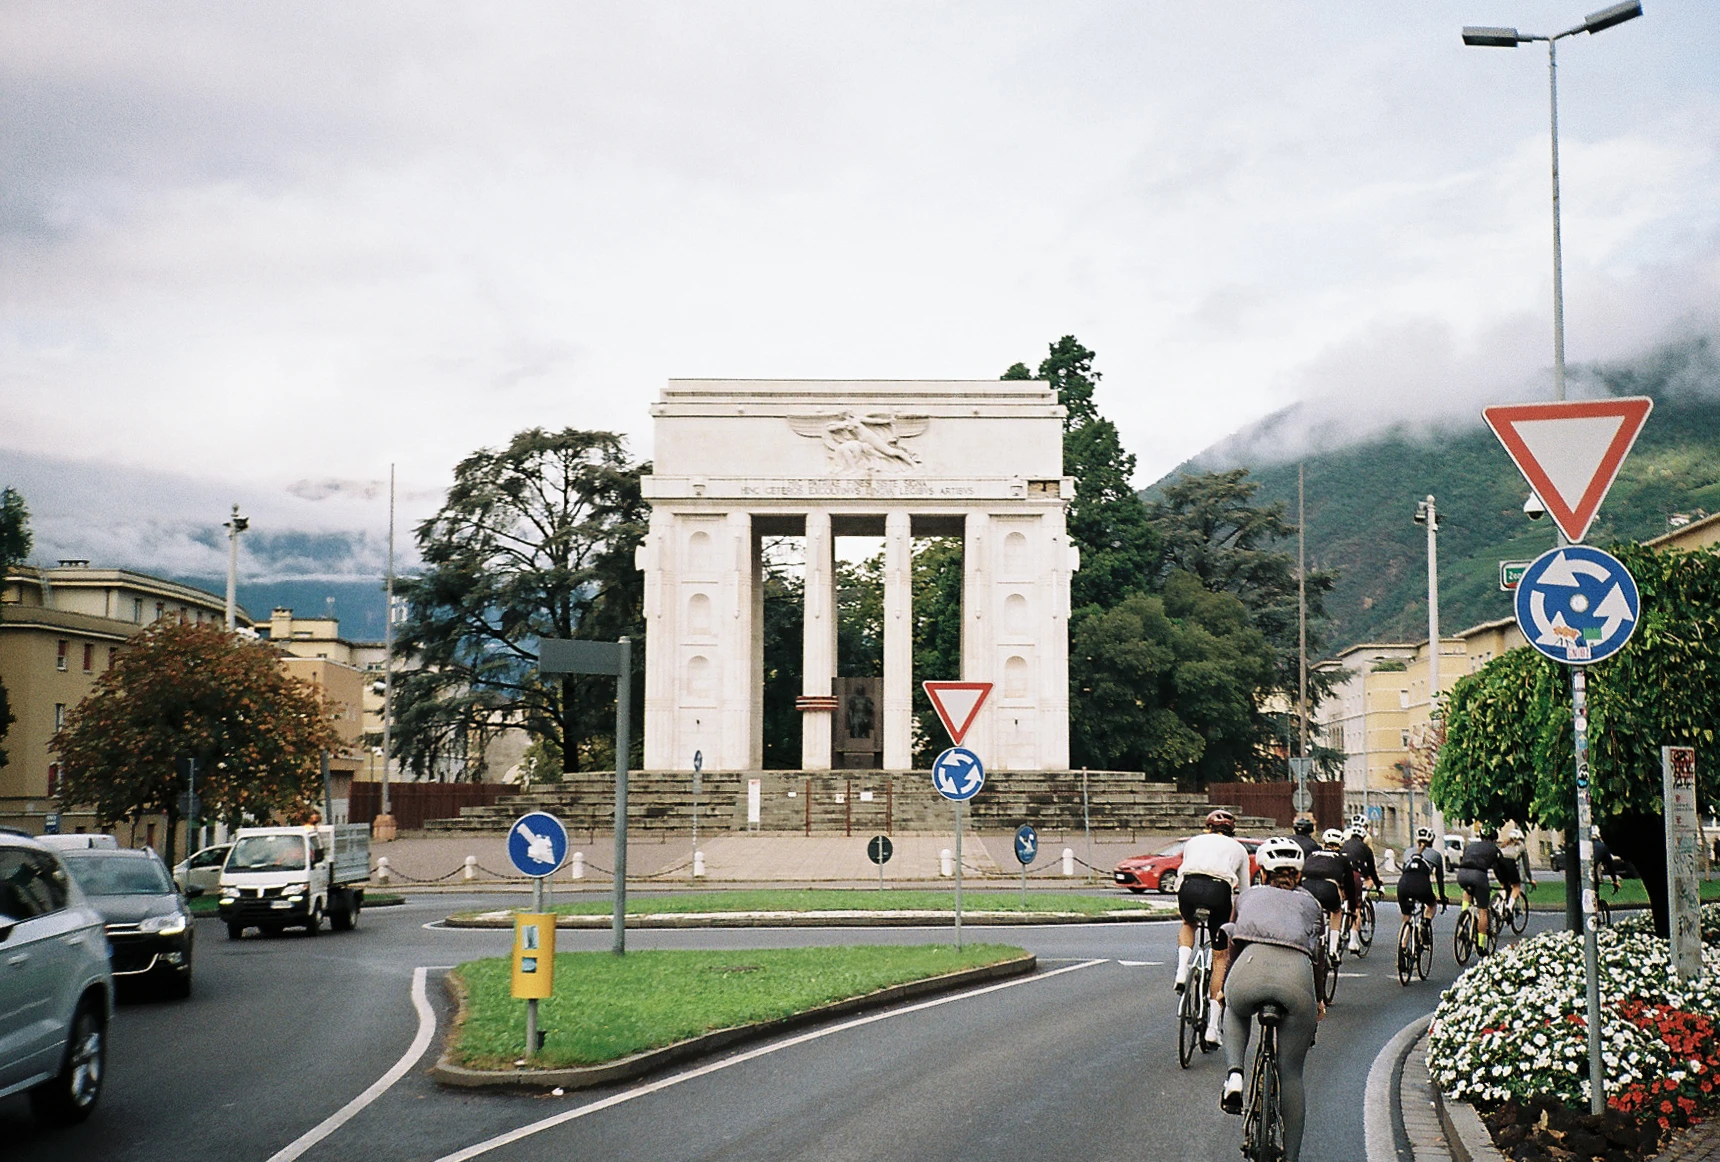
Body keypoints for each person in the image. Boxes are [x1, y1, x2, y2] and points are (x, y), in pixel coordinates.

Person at [1217, 837, 1327, 1162]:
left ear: (1263, 872)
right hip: (1296, 981)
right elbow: (1318, 959)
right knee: (1291, 1074)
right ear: (1298, 875)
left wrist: (1225, 989)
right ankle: (1291, 1157)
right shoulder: (1312, 905)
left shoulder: (1248, 895)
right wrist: (1318, 1001)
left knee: (1235, 1009)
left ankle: (1235, 1074)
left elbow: (1233, 944)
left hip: (1248, 970)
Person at [1174, 809, 1251, 1049]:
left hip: (1189, 886)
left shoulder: (1193, 841)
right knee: (1220, 957)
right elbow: (1245, 892)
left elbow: (1185, 866)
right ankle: (1212, 1028)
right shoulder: (1239, 849)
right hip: (1219, 891)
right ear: (1232, 831)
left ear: (1207, 828)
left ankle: (1181, 970)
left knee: (1188, 923)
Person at [1300, 828, 1358, 963]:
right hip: (1328, 888)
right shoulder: (1342, 858)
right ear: (1340, 846)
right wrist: (1352, 908)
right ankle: (1332, 950)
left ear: (1324, 843)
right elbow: (1350, 886)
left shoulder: (1312, 855)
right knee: (1336, 911)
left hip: (1306, 886)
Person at [1456, 827, 1511, 952]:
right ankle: (1480, 945)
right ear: (1494, 839)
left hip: (1462, 874)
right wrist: (1504, 884)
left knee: (1468, 890)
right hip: (1479, 876)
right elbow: (1500, 869)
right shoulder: (1494, 850)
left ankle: (1464, 916)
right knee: (1483, 911)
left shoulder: (1471, 846)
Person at [1396, 827, 1448, 938]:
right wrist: (1442, 897)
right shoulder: (1436, 855)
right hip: (1422, 886)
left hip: (1403, 885)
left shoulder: (1408, 852)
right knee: (1431, 904)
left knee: (1406, 918)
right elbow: (1440, 880)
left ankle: (1403, 948)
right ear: (1432, 841)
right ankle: (1426, 923)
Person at [1340, 825, 1381, 952]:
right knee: (1356, 908)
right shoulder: (1366, 849)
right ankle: (1353, 941)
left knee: (1337, 904)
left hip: (1338, 873)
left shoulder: (1343, 844)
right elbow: (1372, 871)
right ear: (1363, 838)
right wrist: (1379, 886)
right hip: (1354, 875)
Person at [1496, 825, 1529, 912]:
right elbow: (1526, 865)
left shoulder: (1503, 845)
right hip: (1510, 863)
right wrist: (1530, 878)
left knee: (1503, 885)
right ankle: (1509, 907)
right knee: (1516, 886)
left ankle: (1498, 905)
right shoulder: (1520, 845)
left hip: (1498, 864)